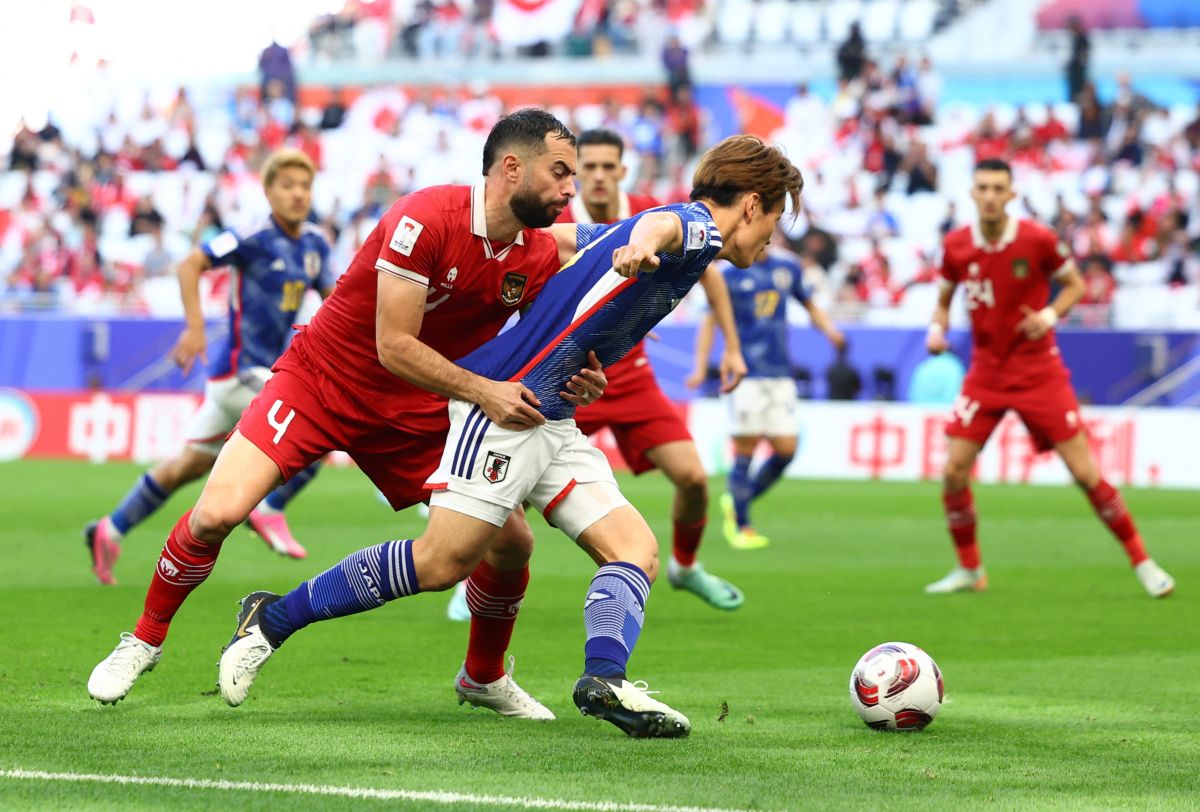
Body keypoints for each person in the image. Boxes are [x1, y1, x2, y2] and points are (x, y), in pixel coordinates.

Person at [216, 135, 805, 738]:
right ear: (754, 205)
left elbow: (584, 263)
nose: (770, 236)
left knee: (635, 549)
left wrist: (591, 359)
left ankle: (605, 679)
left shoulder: (674, 240)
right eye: (776, 219)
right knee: (442, 562)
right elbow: (662, 227)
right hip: (503, 410)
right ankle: (272, 618)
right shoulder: (696, 227)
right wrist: (638, 247)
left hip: (553, 415)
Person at [86, 111, 607, 714]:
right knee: (215, 514)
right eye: (560, 172)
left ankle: (482, 677)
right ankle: (144, 640)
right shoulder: (425, 218)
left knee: (510, 543)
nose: (571, 189)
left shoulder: (536, 253)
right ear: (511, 168)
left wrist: (581, 375)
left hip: (415, 411)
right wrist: (485, 392)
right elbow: (394, 345)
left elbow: (554, 332)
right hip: (320, 381)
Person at [924, 158, 1174, 598]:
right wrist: (936, 328)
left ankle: (1143, 561)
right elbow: (944, 297)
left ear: (1012, 194)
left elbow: (1075, 284)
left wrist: (1049, 314)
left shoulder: (1038, 239)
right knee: (954, 471)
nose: (989, 196)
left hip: (1039, 370)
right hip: (986, 372)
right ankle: (969, 570)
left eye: (998, 188)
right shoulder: (957, 245)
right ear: (972, 193)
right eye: (982, 187)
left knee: (1084, 472)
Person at [84, 149, 334, 585]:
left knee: (187, 466)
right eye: (287, 185)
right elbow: (190, 264)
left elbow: (334, 300)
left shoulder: (314, 243)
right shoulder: (250, 236)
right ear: (268, 190)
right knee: (321, 421)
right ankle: (270, 508)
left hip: (247, 379)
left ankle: (110, 528)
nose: (297, 194)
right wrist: (195, 327)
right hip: (242, 370)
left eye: (305, 186)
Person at [543, 128, 748, 611]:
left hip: (630, 374)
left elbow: (709, 271)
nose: (594, 177)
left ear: (620, 170)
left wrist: (732, 348)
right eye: (584, 167)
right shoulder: (554, 213)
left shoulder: (650, 208)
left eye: (604, 167)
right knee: (509, 491)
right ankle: (476, 581)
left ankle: (686, 565)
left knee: (694, 479)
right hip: (571, 375)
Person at [692, 241, 844, 549]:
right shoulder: (726, 273)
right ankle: (742, 525)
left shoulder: (786, 268)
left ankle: (737, 498)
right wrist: (700, 366)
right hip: (745, 372)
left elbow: (810, 305)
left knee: (786, 449)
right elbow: (709, 322)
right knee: (746, 447)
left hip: (779, 371)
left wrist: (830, 331)